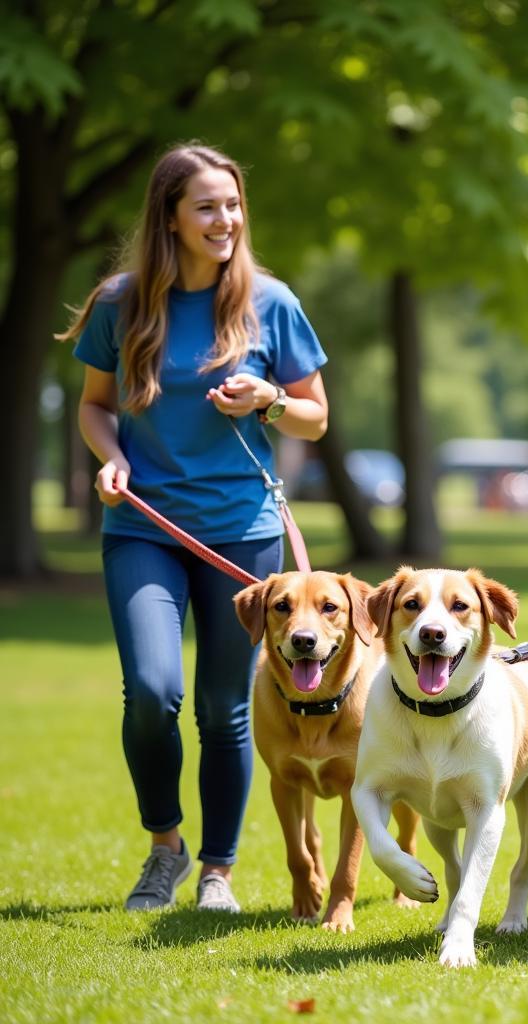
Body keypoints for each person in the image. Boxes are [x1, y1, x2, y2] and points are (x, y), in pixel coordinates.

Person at [59, 143, 329, 913]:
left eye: (233, 204)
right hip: (144, 528)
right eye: (207, 207)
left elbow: (314, 418)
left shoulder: (270, 303)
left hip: (241, 532)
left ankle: (218, 872)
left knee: (225, 707)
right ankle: (164, 848)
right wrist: (109, 459)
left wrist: (268, 399)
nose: (225, 220)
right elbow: (94, 405)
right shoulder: (121, 301)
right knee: (150, 690)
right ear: (170, 217)